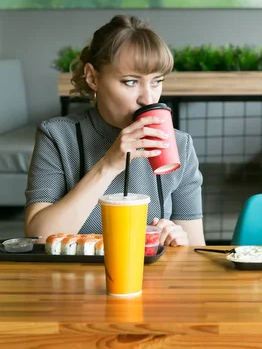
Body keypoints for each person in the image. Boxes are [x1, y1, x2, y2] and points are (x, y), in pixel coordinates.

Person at [25, 15, 205, 246]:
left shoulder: (180, 146)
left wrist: (178, 243)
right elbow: (38, 238)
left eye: (156, 81)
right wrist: (108, 165)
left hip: (147, 280)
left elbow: (196, 251)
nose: (148, 98)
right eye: (131, 82)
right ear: (92, 77)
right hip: (71, 279)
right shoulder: (57, 137)